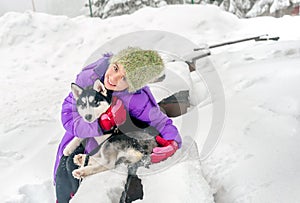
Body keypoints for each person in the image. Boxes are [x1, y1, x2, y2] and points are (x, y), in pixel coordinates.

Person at [54, 47, 182, 203]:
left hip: (110, 140)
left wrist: (173, 142)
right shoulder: (89, 77)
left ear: (133, 85)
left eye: (125, 79)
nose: (113, 78)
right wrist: (99, 124)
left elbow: (160, 121)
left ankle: (78, 197)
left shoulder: (136, 98)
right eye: (115, 68)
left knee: (74, 166)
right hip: (80, 131)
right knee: (63, 170)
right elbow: (68, 115)